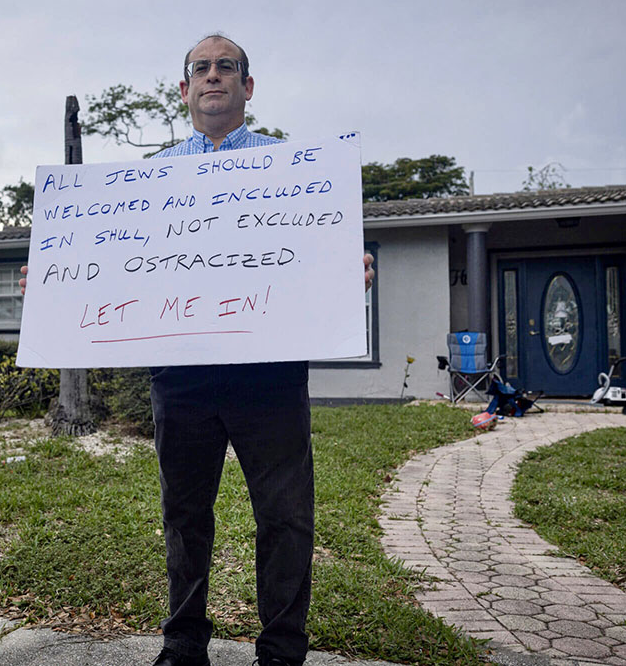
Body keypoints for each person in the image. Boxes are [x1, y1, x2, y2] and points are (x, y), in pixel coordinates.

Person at [21, 34, 374, 666]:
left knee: (285, 517)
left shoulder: (292, 169)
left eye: (227, 68)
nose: (214, 77)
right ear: (185, 90)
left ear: (248, 87)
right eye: (201, 69)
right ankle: (183, 645)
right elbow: (115, 264)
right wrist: (54, 276)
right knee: (184, 515)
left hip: (269, 377)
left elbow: (313, 260)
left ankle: (283, 652)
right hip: (181, 377)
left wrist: (348, 272)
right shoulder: (150, 179)